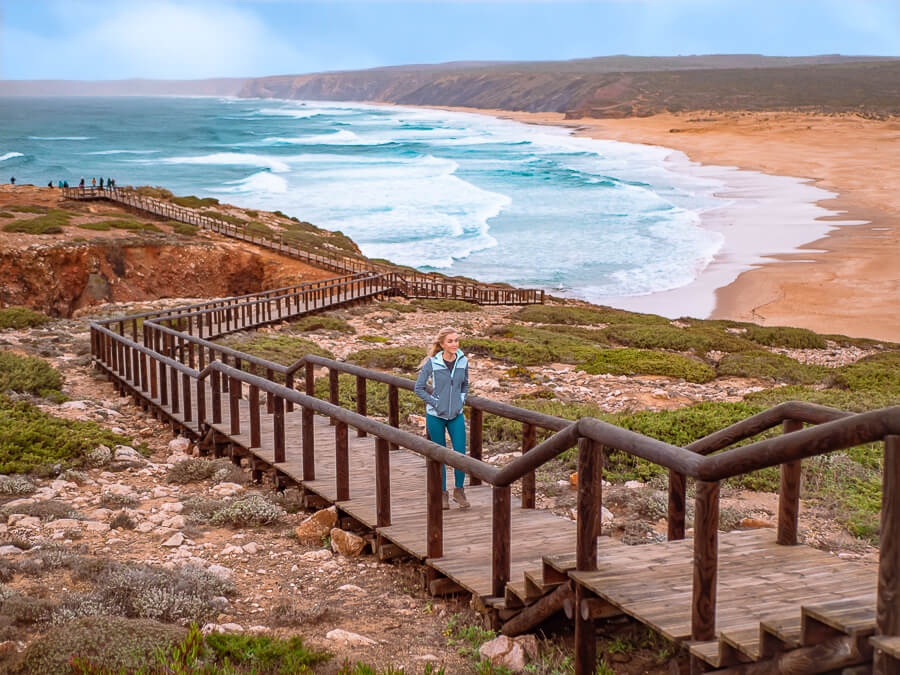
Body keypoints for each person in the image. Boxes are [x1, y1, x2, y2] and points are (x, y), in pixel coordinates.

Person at [414, 327, 470, 510]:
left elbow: (465, 384)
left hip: (456, 415)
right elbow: (419, 388)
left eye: (456, 340)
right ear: (442, 344)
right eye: (451, 341)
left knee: (460, 454)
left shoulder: (463, 361)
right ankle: (442, 493)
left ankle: (459, 491)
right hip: (435, 416)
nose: (455, 344)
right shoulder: (433, 363)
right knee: (440, 455)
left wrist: (461, 400)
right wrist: (435, 402)